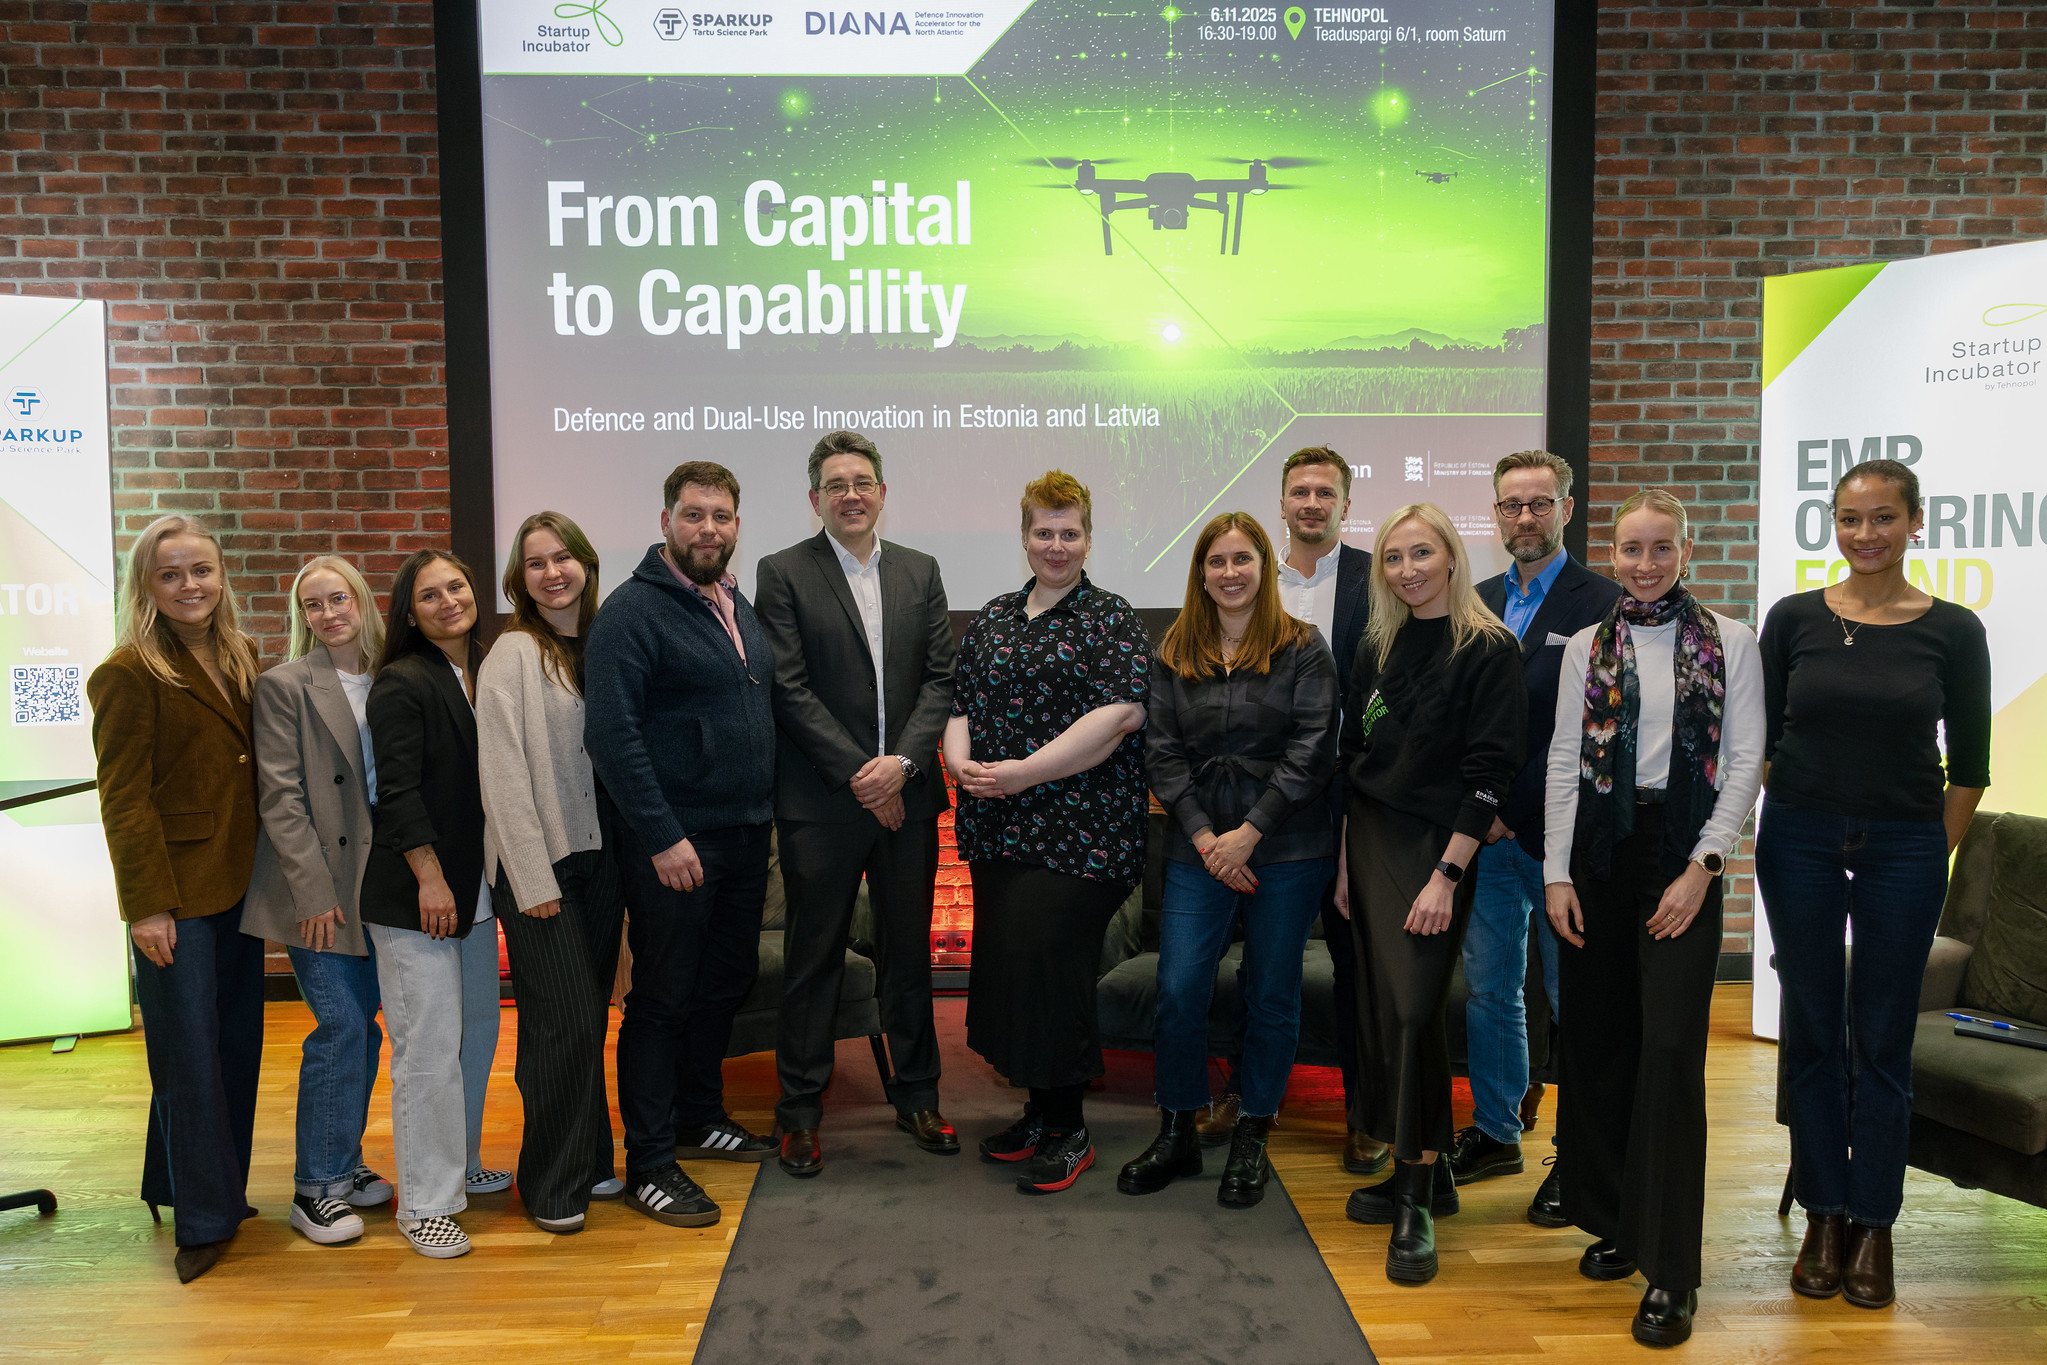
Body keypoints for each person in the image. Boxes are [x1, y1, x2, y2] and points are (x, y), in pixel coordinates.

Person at [1756, 458, 1990, 1312]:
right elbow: (1763, 743)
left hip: (1903, 845)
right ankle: (1823, 1213)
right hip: (1800, 838)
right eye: (1850, 518)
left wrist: (1925, 852)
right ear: (1833, 523)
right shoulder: (1792, 619)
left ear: (1915, 522)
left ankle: (1872, 1223)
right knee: (1814, 1030)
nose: (1865, 534)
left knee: (1883, 1040)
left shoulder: (1954, 630)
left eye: (1883, 517)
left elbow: (1970, 767)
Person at [1542, 489, 1765, 1347]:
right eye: (1631, 548)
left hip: (1680, 852)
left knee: (1669, 1050)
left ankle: (1672, 1270)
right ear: (1612, 552)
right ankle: (1617, 1221)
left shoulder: (1730, 641)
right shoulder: (1586, 645)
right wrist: (1556, 872)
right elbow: (1564, 757)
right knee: (1600, 1044)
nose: (1644, 563)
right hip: (1600, 853)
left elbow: (1744, 760)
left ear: (1685, 549)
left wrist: (1703, 865)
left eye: (1660, 547)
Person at [1117, 512, 1338, 1208]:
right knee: (1179, 988)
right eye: (1217, 561)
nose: (1230, 572)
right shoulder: (1174, 648)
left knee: (1270, 991)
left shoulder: (1303, 646)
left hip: (1287, 845)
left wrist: (1249, 833)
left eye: (1243, 559)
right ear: (1201, 573)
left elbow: (1313, 747)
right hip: (1198, 846)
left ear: (1264, 567)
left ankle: (1251, 1132)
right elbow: (1160, 751)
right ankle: (1177, 1129)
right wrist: (1208, 838)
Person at [755, 431, 959, 1178]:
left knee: (907, 955)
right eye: (836, 484)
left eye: (862, 481)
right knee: (813, 960)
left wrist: (900, 768)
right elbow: (787, 687)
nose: (850, 494)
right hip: (821, 807)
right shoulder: (782, 572)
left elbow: (939, 679)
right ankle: (800, 1113)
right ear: (815, 498)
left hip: (908, 798)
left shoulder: (919, 570)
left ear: (881, 492)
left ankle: (918, 1095)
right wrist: (861, 777)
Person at [945, 470, 1150, 1196]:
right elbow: (961, 706)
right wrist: (960, 763)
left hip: (1084, 832)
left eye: (1069, 533)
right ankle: (1038, 1112)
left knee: (1047, 958)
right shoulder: (996, 615)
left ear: (1088, 539)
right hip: (999, 828)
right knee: (1013, 964)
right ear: (1025, 536)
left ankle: (1069, 1129)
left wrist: (1022, 773)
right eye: (1043, 532)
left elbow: (1120, 716)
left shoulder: (1110, 616)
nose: (1055, 545)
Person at [585, 461, 778, 1229]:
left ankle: (699, 1115)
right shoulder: (632, 611)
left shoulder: (732, 599)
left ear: (736, 525)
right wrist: (663, 835)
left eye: (721, 516)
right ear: (666, 520)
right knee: (662, 997)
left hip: (743, 835)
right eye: (693, 514)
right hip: (676, 844)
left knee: (722, 980)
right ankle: (651, 1162)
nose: (708, 528)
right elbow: (612, 733)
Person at [1337, 502, 1523, 1285]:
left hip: (1437, 848)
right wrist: (1343, 863)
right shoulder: (1375, 645)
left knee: (1414, 1008)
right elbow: (1352, 754)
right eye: (1392, 557)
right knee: (1386, 1009)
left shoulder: (1489, 647)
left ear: (1449, 555)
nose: (1407, 569)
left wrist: (1446, 875)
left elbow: (1490, 770)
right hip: (1370, 839)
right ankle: (1427, 1171)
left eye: (1420, 553)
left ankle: (1411, 1201)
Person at [1196, 446, 1385, 1176]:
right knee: (1260, 958)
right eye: (1299, 492)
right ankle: (1246, 1094)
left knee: (1355, 956)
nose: (1311, 503)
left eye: (1324, 493)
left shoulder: (1378, 580)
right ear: (1280, 503)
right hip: (1260, 804)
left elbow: (1389, 688)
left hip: (1351, 794)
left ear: (1345, 504)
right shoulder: (1248, 578)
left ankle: (1365, 1111)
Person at [88, 515, 266, 1284]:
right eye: (171, 574)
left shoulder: (240, 652)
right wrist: (147, 905)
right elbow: (123, 799)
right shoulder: (127, 672)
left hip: (241, 881)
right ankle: (203, 1220)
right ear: (146, 586)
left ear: (221, 575)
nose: (190, 585)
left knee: (233, 1046)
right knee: (188, 1056)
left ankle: (190, 1183)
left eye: (201, 569)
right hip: (176, 894)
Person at [1464, 450, 1623, 1224]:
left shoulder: (1606, 602)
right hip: (1485, 839)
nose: (1523, 517)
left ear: (1566, 507)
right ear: (1495, 513)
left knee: (1572, 999)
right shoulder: (1477, 599)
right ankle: (1496, 1131)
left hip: (1560, 839)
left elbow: (1590, 732)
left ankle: (1576, 1154)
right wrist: (1480, 813)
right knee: (1491, 990)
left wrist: (1507, 808)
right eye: (1510, 505)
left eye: (1537, 503)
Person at [478, 512, 627, 1234]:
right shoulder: (512, 654)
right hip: (542, 867)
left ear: (586, 563)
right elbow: (502, 775)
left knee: (586, 1018)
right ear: (520, 578)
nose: (552, 572)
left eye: (563, 557)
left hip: (602, 862)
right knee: (559, 1022)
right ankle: (549, 1182)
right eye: (535, 563)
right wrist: (531, 877)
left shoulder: (605, 644)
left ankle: (591, 1160)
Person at [241, 555, 396, 1247]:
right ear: (300, 615)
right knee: (339, 1025)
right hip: (316, 885)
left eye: (339, 598)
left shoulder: (393, 674)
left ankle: (345, 1162)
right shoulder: (285, 685)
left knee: (365, 1027)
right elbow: (280, 796)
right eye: (313, 604)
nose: (328, 613)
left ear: (361, 600)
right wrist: (312, 891)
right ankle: (315, 1188)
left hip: (376, 882)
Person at [358, 550, 507, 1259]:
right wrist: (430, 875)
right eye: (429, 594)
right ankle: (426, 1203)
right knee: (427, 1050)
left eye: (457, 585)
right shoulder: (402, 680)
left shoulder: (478, 672)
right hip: (418, 896)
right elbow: (398, 791)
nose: (449, 600)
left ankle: (462, 1161)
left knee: (476, 1034)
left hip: (472, 891)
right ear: (409, 614)